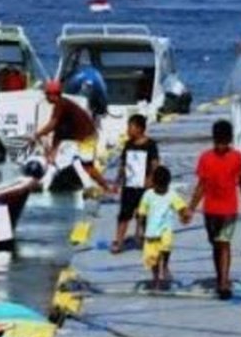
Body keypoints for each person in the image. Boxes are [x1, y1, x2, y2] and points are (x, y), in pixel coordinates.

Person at [188, 119, 241, 300]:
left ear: (230, 140)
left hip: (228, 210)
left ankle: (223, 281)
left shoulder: (238, 158)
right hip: (210, 209)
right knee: (216, 244)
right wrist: (191, 208)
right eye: (218, 141)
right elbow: (201, 186)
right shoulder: (205, 158)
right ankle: (220, 276)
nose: (221, 145)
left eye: (224, 142)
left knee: (224, 244)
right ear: (214, 139)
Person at [32, 79, 113, 194]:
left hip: (85, 138)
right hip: (85, 137)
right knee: (84, 165)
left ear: (54, 95)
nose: (46, 97)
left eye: (47, 94)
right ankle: (104, 187)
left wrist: (37, 134)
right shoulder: (62, 105)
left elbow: (52, 124)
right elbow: (58, 132)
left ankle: (101, 188)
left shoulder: (61, 104)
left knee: (78, 165)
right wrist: (53, 150)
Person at [136, 165, 191, 291]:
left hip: (165, 230)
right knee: (152, 259)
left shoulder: (172, 195)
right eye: (159, 186)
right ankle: (156, 279)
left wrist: (185, 215)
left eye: (164, 187)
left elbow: (181, 207)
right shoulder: (148, 195)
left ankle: (165, 266)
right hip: (151, 232)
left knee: (166, 247)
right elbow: (142, 214)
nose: (161, 189)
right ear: (153, 183)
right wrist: (139, 231)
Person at [112, 114, 159, 253]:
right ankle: (119, 242)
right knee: (124, 214)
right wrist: (118, 180)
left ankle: (145, 238)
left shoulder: (150, 145)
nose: (128, 129)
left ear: (139, 129)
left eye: (130, 127)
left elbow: (155, 164)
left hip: (145, 185)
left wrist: (151, 180)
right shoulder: (128, 144)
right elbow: (123, 163)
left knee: (144, 214)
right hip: (129, 184)